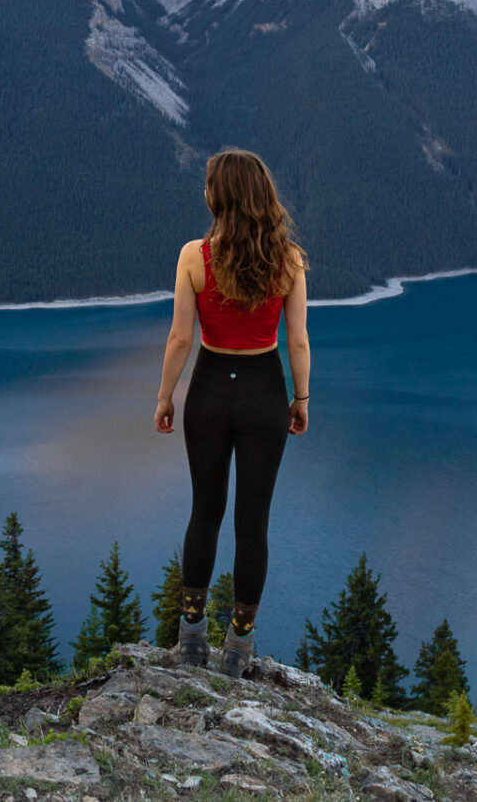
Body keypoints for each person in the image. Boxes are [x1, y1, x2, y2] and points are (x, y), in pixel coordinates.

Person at [154, 148, 311, 676]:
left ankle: (192, 638)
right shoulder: (288, 259)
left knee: (205, 512)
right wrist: (301, 399)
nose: (203, 192)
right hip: (265, 394)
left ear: (221, 196)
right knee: (253, 524)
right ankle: (239, 648)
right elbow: (299, 343)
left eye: (207, 185)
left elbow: (180, 338)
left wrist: (164, 397)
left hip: (210, 391)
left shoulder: (193, 256)